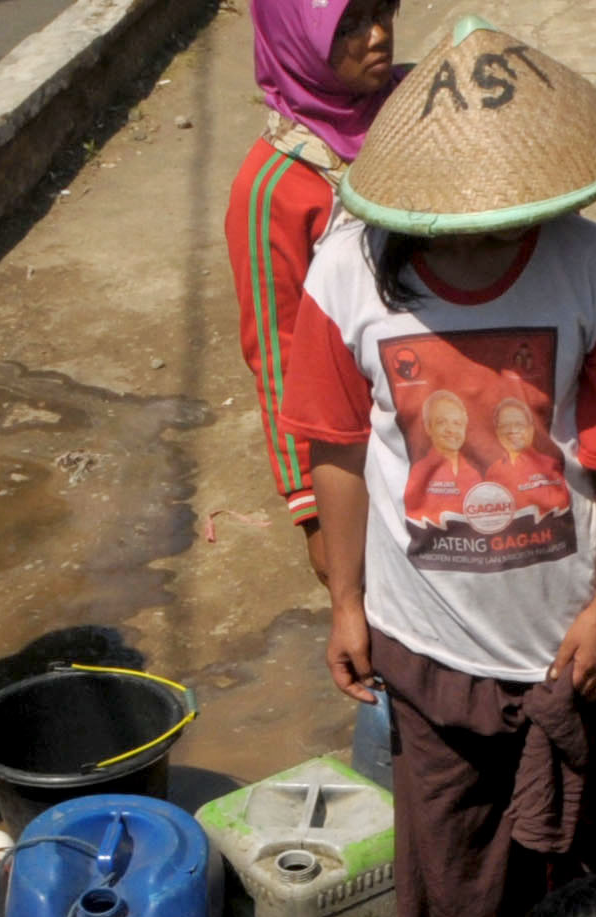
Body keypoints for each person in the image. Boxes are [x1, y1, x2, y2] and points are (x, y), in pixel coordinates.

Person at [281, 21, 596, 917]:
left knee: (584, 888)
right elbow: (336, 454)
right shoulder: (345, 277)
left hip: (570, 650)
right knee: (455, 889)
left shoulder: (593, 269)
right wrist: (346, 601)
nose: (492, 231)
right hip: (427, 651)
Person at [225, 0, 403, 580]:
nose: (377, 36)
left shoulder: (418, 115)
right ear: (295, 40)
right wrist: (314, 512)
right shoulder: (273, 188)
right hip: (360, 442)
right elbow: (278, 356)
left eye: (384, 11)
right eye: (348, 26)